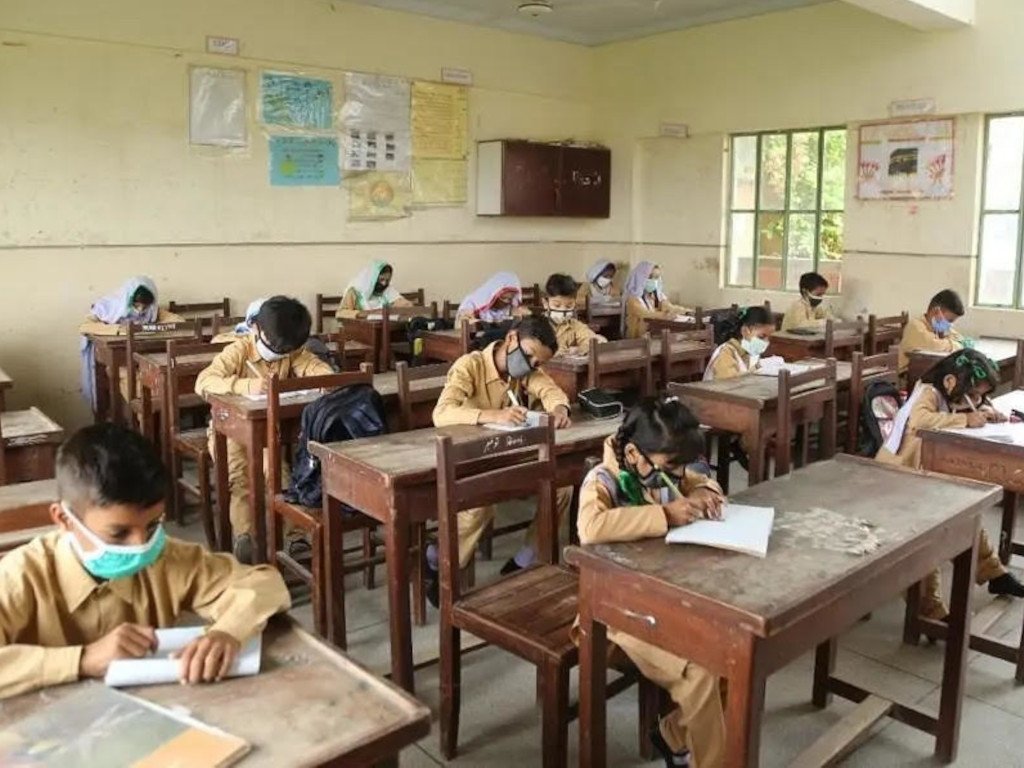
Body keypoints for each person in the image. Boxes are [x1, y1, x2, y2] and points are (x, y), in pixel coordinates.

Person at [0, 423, 290, 700]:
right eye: (119, 533)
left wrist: (227, 632)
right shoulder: (20, 577)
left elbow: (263, 583)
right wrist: (82, 659)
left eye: (152, 525)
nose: (141, 544)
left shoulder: (166, 559)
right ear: (64, 519)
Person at [575, 397, 726, 768]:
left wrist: (706, 491)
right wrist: (664, 515)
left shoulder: (660, 466)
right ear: (633, 453)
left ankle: (674, 734)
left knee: (731, 656)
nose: (677, 474)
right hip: (614, 612)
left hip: (663, 598)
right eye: (671, 467)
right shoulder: (603, 480)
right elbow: (590, 528)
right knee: (700, 672)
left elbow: (701, 479)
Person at [427, 315, 573, 605]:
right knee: (479, 506)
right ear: (511, 339)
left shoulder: (525, 370)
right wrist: (493, 415)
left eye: (538, 363)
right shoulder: (470, 365)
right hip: (469, 459)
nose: (532, 364)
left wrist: (559, 409)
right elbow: (441, 413)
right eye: (529, 356)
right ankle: (440, 564)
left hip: (509, 454)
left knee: (561, 487)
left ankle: (525, 559)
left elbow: (551, 391)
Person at [876, 349, 1024, 619]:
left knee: (965, 515)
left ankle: (994, 573)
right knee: (927, 536)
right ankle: (930, 610)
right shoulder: (929, 392)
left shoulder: (957, 395)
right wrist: (965, 419)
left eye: (981, 396)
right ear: (951, 382)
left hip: (930, 476)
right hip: (899, 477)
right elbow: (920, 421)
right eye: (974, 394)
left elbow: (970, 406)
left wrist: (987, 411)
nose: (976, 401)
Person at [195, 296, 334, 563]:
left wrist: (323, 378)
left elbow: (314, 367)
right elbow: (203, 381)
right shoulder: (239, 349)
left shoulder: (291, 350)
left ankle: (296, 537)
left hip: (264, 433)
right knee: (239, 477)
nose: (279, 353)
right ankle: (245, 538)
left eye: (286, 350)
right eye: (274, 346)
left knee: (278, 474)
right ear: (256, 328)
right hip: (228, 431)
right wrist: (244, 386)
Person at [78, 276, 184, 409]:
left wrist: (152, 328)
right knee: (135, 382)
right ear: (128, 299)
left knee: (157, 379)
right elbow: (85, 326)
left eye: (144, 306)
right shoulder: (108, 306)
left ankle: (153, 410)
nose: (140, 310)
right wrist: (119, 330)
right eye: (137, 305)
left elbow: (179, 321)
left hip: (140, 356)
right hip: (117, 358)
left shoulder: (152, 309)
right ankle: (144, 411)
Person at [897, 289, 966, 374]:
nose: (950, 324)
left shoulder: (937, 327)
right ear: (936, 311)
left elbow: (959, 339)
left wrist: (946, 336)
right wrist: (953, 344)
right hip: (909, 374)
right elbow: (933, 344)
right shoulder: (915, 326)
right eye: (949, 320)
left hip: (928, 370)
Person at [704, 306, 776, 381]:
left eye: (769, 338)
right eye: (761, 337)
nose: (766, 342)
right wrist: (754, 370)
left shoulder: (750, 353)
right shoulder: (726, 353)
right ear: (745, 331)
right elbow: (727, 383)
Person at [622, 261, 691, 339]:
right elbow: (646, 315)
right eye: (650, 277)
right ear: (640, 278)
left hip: (653, 335)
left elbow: (670, 307)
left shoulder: (657, 295)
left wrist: (687, 312)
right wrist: (665, 315)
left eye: (656, 277)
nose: (654, 281)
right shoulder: (633, 299)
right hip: (636, 339)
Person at [544, 273, 605, 356]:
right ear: (545, 304)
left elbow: (595, 340)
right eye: (557, 305)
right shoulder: (537, 325)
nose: (563, 310)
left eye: (569, 306)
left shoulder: (574, 325)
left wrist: (580, 349)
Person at [336, 261, 412, 319]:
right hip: (361, 329)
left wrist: (396, 308)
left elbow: (407, 305)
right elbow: (340, 313)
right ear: (373, 278)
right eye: (381, 279)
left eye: (387, 280)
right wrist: (363, 314)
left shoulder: (387, 290)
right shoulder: (355, 291)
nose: (384, 284)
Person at [455, 272, 532, 327]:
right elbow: (462, 324)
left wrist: (523, 313)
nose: (506, 302)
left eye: (510, 299)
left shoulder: (508, 306)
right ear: (493, 294)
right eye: (503, 298)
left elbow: (523, 313)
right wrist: (486, 324)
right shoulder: (472, 302)